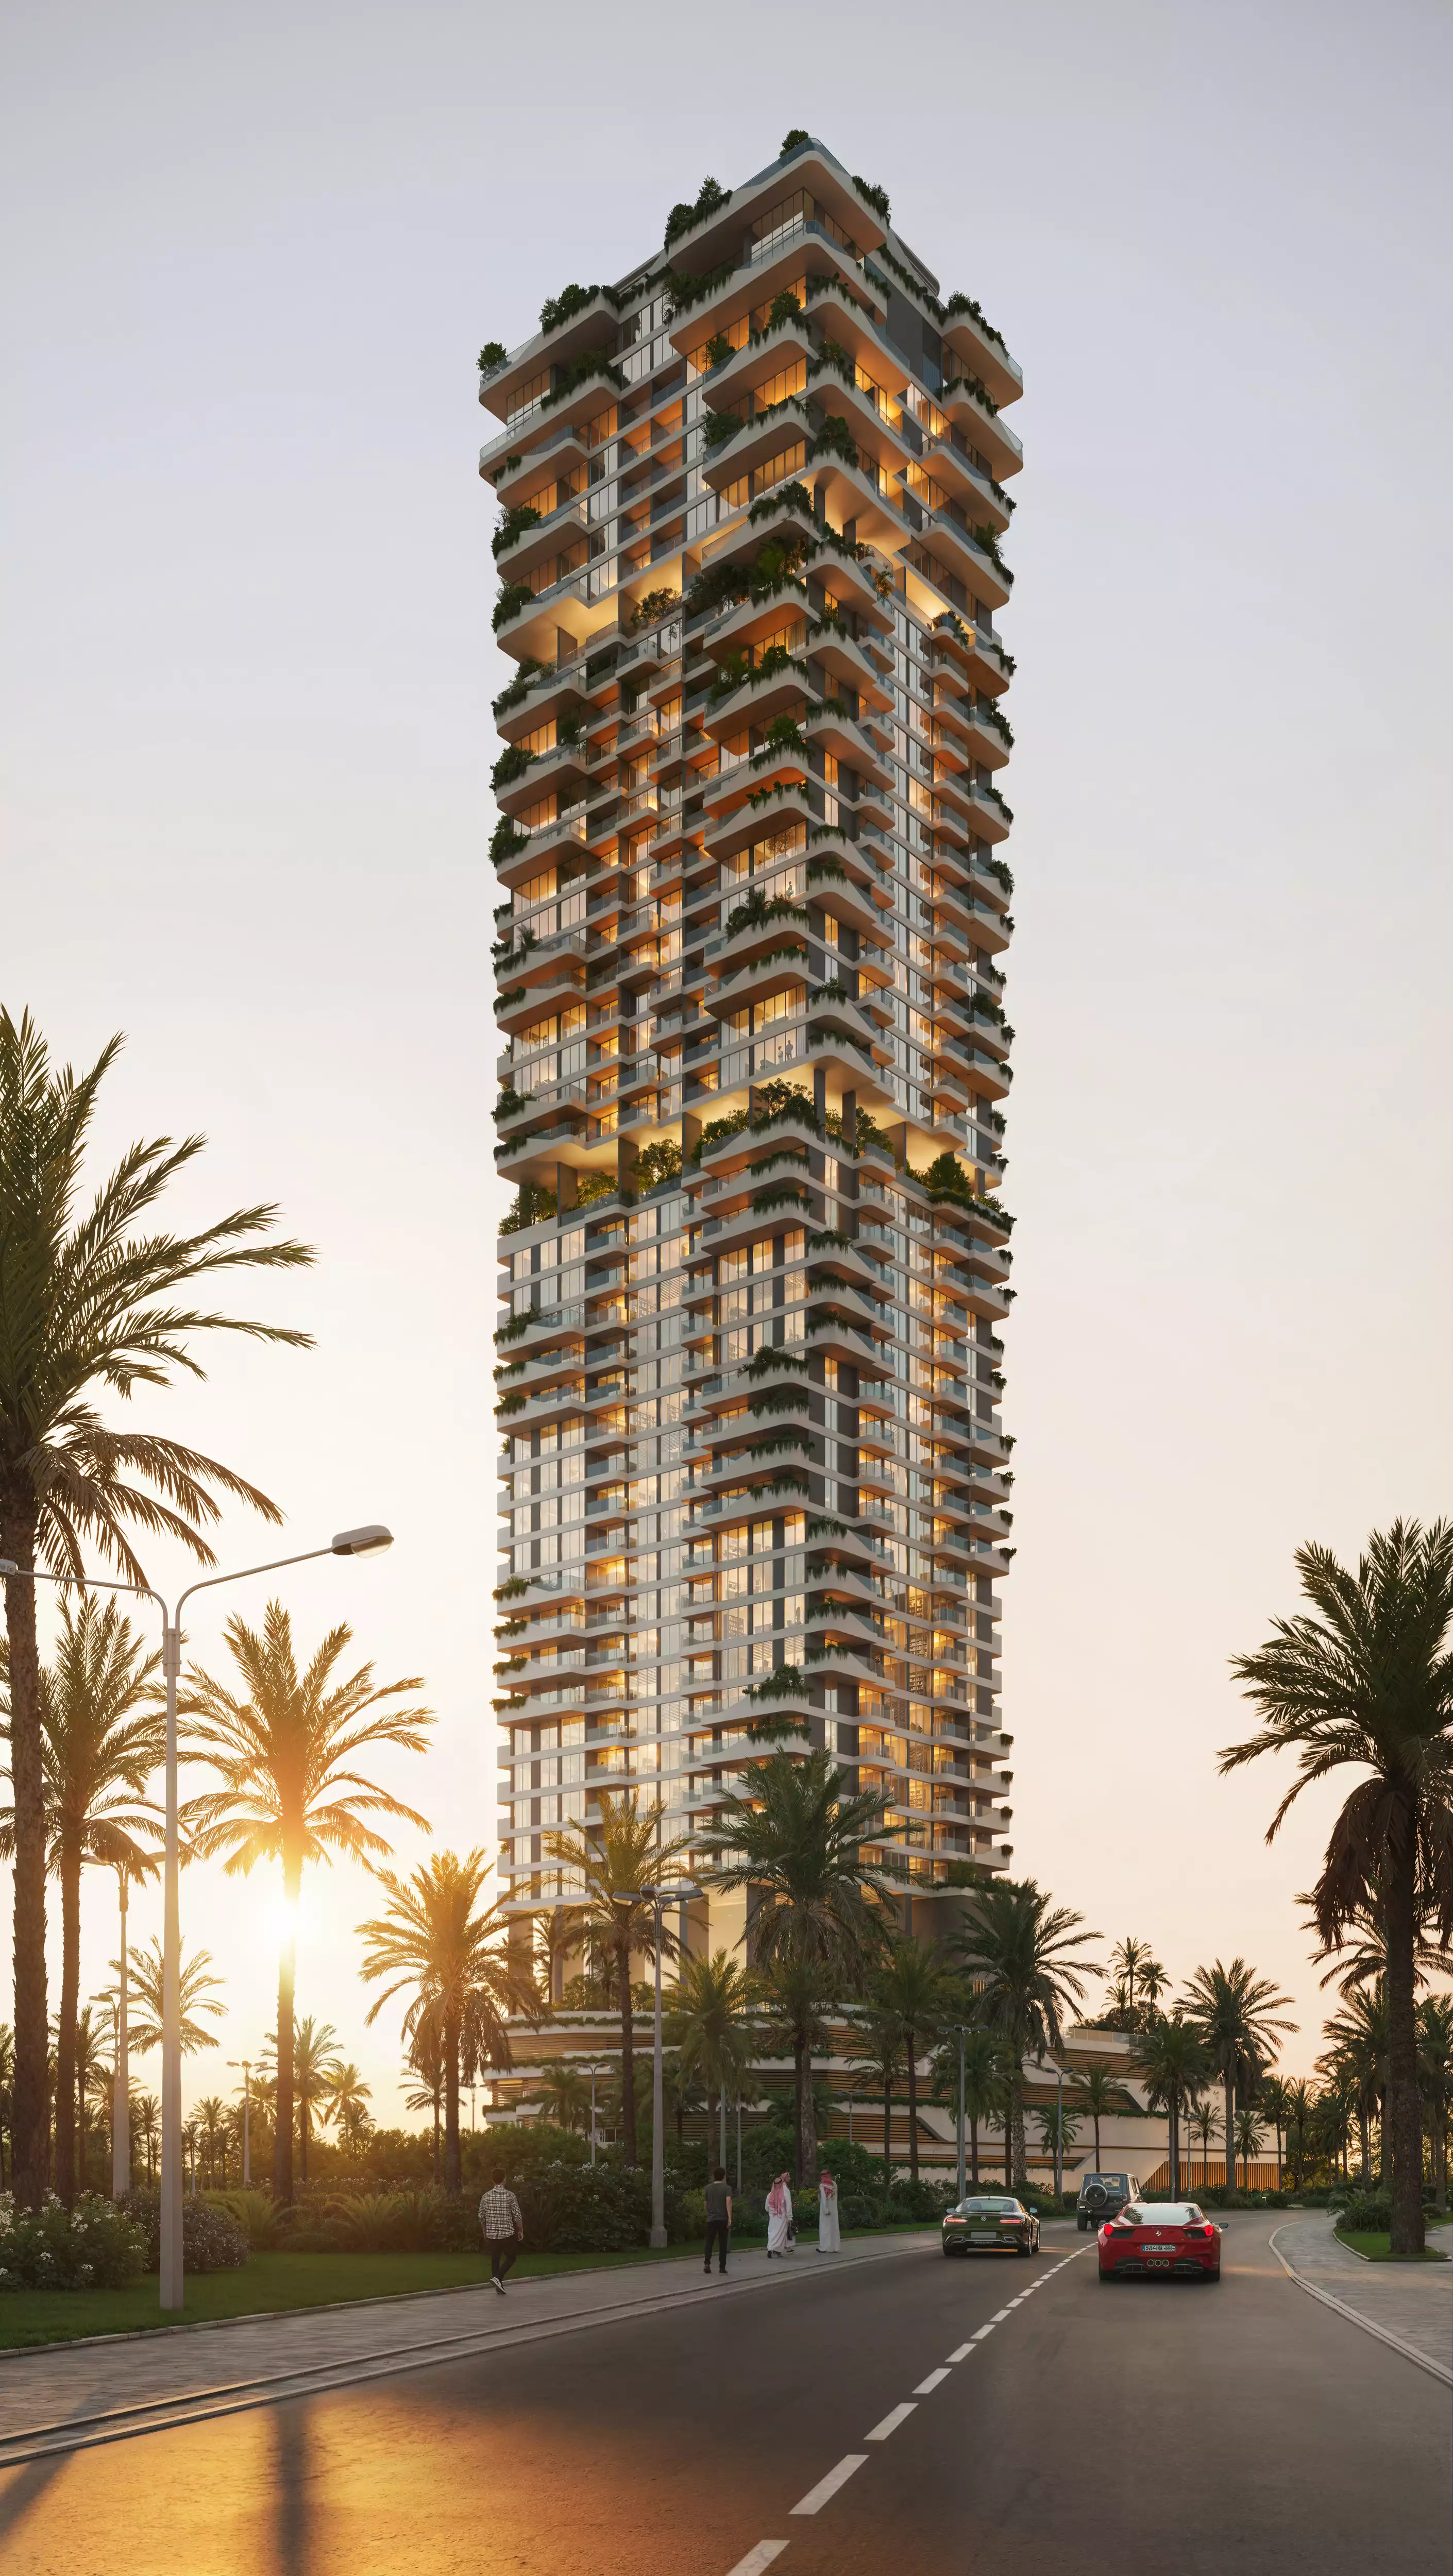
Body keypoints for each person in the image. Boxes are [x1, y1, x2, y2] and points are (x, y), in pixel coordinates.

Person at [478, 2177, 525, 2293]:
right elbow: (517, 2216)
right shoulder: (510, 2195)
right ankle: (497, 2278)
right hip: (507, 2233)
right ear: (504, 2179)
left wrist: (485, 2231)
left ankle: (498, 2285)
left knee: (495, 2258)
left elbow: (482, 2217)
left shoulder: (486, 2196)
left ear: (493, 2180)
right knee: (512, 2257)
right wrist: (521, 2230)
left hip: (492, 2234)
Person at [703, 2165, 732, 2276]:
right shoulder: (727, 2188)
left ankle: (707, 2263)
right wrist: (730, 2218)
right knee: (723, 2243)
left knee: (709, 2242)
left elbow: (706, 2203)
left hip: (711, 2219)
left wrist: (708, 2213)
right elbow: (728, 2202)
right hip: (723, 2219)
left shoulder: (708, 2188)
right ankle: (722, 2268)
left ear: (714, 2176)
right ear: (723, 2176)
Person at [766, 2172, 793, 2257]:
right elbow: (788, 2206)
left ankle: (770, 2248)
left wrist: (771, 2214)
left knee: (772, 2233)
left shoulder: (770, 2194)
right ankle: (777, 2250)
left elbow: (767, 2207)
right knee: (780, 2234)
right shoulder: (785, 2194)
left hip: (773, 2217)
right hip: (782, 2217)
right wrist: (790, 2218)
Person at [817, 2168, 840, 2253]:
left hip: (826, 2211)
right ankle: (835, 2247)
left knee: (825, 2229)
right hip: (834, 2210)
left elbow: (823, 2199)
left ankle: (824, 2247)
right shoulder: (834, 2184)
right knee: (834, 2228)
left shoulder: (822, 2186)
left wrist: (826, 2209)